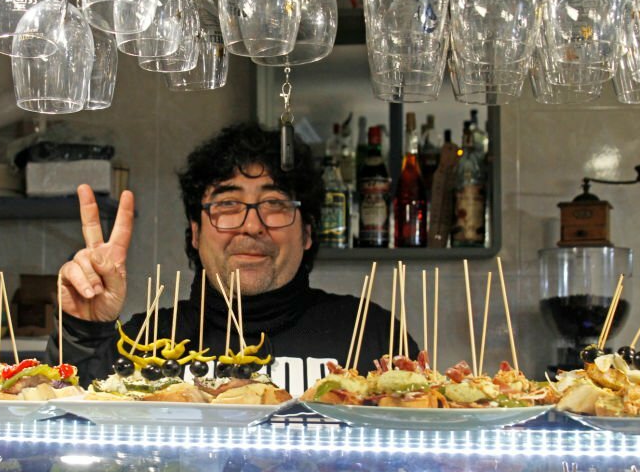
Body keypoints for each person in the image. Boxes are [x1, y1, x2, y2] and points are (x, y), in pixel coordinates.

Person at [50, 123, 417, 391]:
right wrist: (84, 330)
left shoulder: (371, 335)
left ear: (307, 233)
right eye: (228, 204)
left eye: (274, 203)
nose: (252, 225)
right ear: (195, 232)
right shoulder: (144, 343)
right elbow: (64, 434)